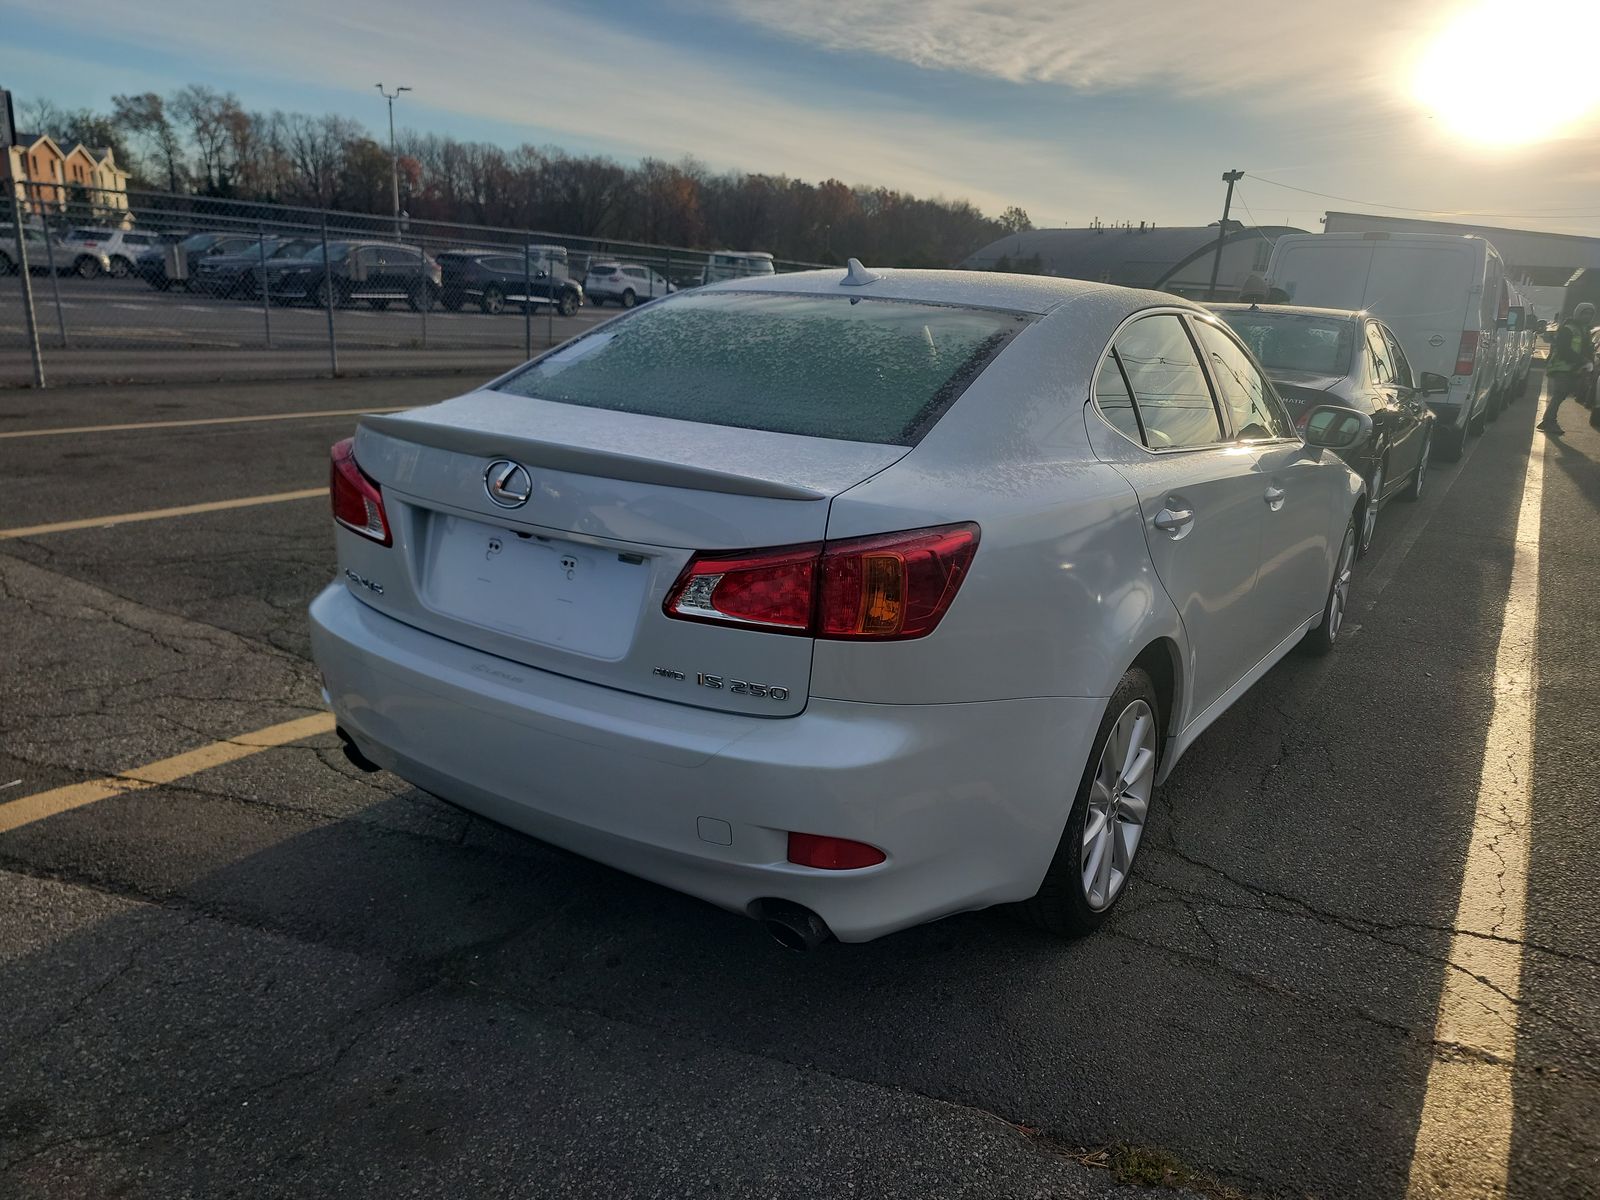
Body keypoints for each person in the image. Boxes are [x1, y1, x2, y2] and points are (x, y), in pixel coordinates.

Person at [1538, 301, 1596, 435]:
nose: (1587, 316)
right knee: (1559, 394)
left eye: (1590, 314)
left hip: (1574, 368)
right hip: (1562, 367)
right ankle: (1549, 421)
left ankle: (1548, 420)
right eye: (1585, 313)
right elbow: (1564, 349)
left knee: (1562, 395)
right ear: (1578, 313)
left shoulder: (1585, 330)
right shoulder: (1568, 329)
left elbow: (1587, 349)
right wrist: (1582, 360)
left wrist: (1588, 363)